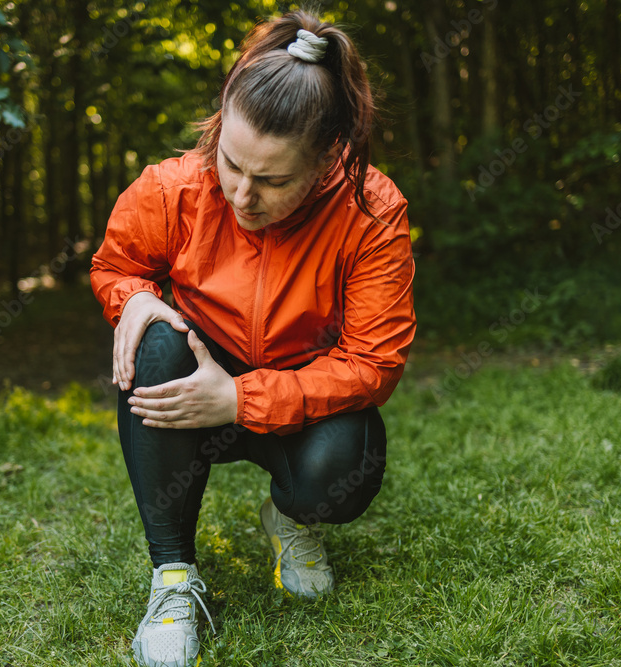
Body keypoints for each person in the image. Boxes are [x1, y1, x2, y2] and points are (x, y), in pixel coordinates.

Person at [90, 10, 416, 667]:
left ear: (327, 157)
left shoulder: (374, 213)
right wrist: (136, 301)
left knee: (348, 465)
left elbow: (374, 363)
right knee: (153, 340)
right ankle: (174, 579)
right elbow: (116, 266)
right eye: (231, 163)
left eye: (270, 180)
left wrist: (238, 399)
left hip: (296, 403)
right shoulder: (172, 187)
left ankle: (291, 518)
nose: (241, 193)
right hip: (192, 378)